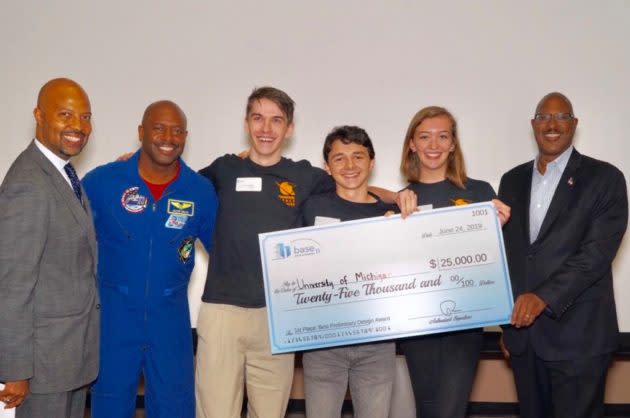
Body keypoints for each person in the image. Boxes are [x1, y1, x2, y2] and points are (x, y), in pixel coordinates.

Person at [194, 86, 338, 418]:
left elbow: (355, 189)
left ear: (289, 129)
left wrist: (403, 196)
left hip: (277, 317)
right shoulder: (223, 170)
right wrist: (137, 165)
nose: (266, 129)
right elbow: (173, 181)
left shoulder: (306, 177)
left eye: (276, 121)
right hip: (221, 313)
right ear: (246, 123)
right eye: (258, 118)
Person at [83, 100, 218, 418]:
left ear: (186, 136)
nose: (167, 137)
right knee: (110, 405)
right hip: (113, 320)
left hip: (170, 322)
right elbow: (70, 245)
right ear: (141, 132)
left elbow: (225, 254)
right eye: (158, 128)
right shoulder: (103, 183)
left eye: (176, 130)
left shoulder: (200, 191)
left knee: (174, 406)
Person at [498, 92, 628, 418]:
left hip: (579, 339)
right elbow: (508, 258)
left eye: (561, 117)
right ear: (533, 125)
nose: (552, 124)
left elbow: (595, 255)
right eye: (543, 117)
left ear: (574, 124)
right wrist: (507, 327)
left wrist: (542, 297)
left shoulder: (605, 178)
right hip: (525, 340)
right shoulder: (511, 181)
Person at [395, 106, 510, 418]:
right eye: (424, 137)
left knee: (450, 411)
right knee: (427, 410)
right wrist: (393, 210)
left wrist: (496, 231)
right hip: (418, 325)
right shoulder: (403, 199)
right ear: (412, 144)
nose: (433, 145)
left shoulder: (480, 193)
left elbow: (495, 263)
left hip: (465, 322)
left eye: (442, 136)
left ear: (453, 144)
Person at [0, 78, 99, 418]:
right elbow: (12, 285)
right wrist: (14, 370)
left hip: (67, 360)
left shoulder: (61, 174)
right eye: (66, 114)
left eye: (85, 117)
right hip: (41, 370)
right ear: (38, 116)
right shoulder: (28, 184)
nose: (78, 126)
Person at [301, 125, 400, 418]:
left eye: (358, 156)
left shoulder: (390, 216)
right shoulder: (310, 207)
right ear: (327, 167)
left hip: (377, 344)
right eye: (339, 158)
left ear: (371, 162)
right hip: (323, 343)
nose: (349, 165)